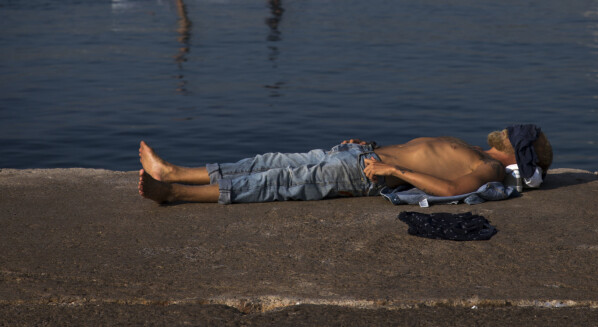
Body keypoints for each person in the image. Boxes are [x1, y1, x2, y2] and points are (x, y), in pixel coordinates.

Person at [138, 125, 553, 205]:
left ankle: (175, 193)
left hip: (363, 173)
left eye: (512, 136)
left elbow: (451, 190)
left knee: (278, 181)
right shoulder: (474, 148)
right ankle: (174, 172)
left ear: (516, 153)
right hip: (358, 155)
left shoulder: (492, 171)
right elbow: (420, 151)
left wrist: (395, 174)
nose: (504, 130)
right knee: (267, 161)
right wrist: (371, 147)